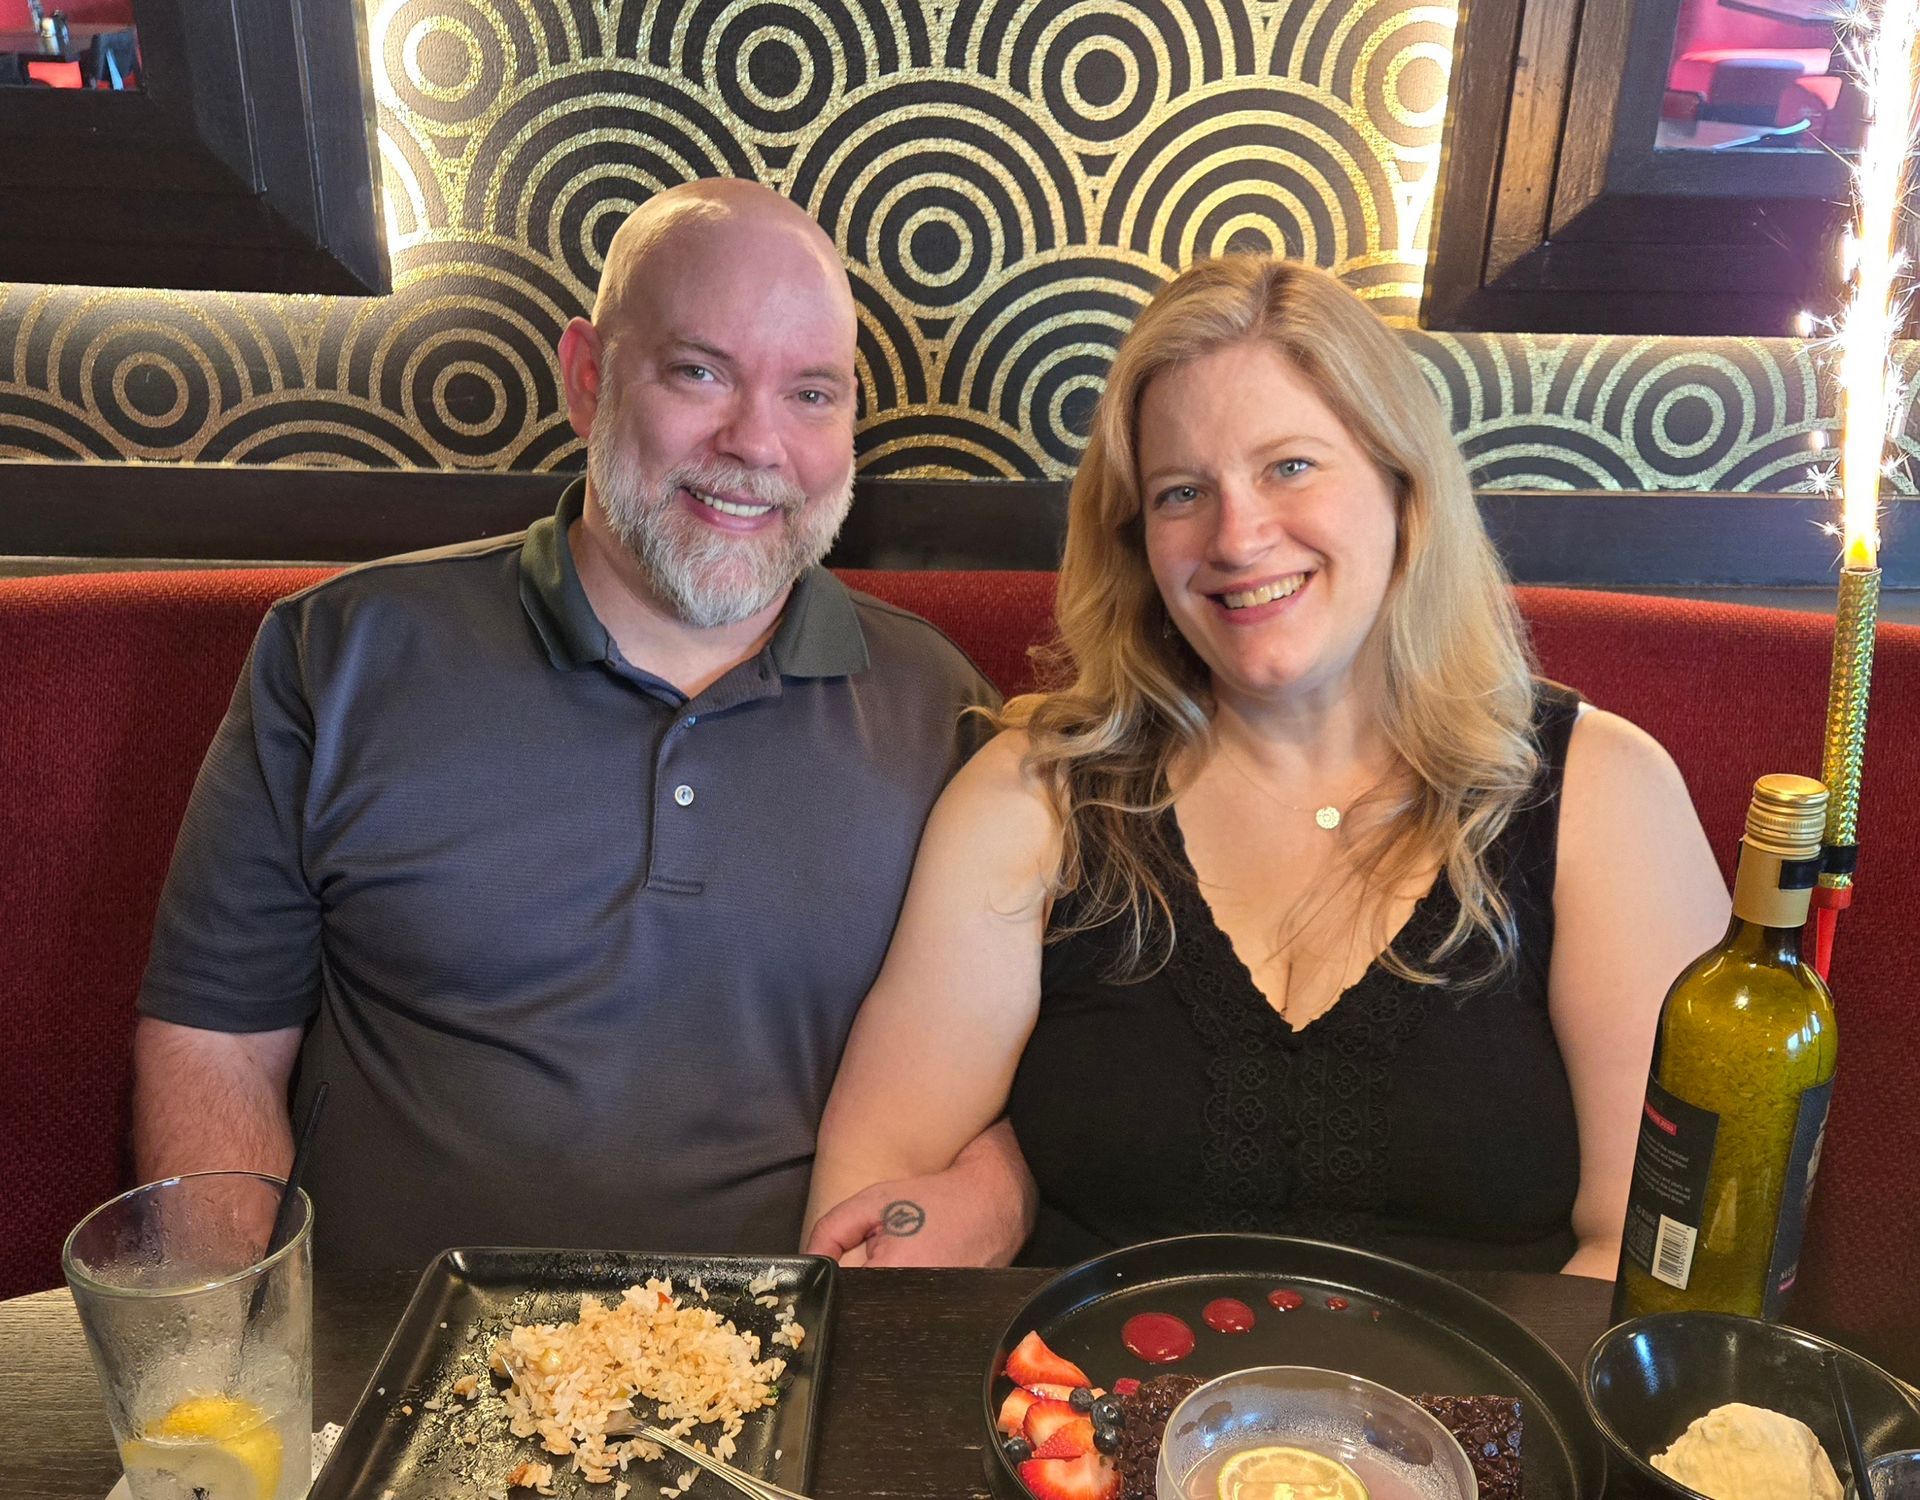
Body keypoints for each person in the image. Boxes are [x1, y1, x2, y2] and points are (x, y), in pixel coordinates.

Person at [131, 179, 1019, 1267]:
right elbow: (213, 1043)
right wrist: (237, 1368)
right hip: (393, 1373)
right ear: (587, 378)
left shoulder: (942, 707)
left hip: (786, 1368)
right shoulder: (339, 654)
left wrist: (998, 1193)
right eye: (701, 373)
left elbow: (1010, 1065)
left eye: (814, 395)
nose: (757, 443)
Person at [804, 256, 1730, 1277]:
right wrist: (984, 1189)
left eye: (1291, 466)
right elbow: (873, 1203)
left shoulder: (1602, 795)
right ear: (1137, 540)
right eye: (1182, 491)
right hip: (1074, 1421)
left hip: (1481, 1427)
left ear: (1400, 482)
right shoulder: (1038, 797)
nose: (1237, 536)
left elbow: (1658, 1263)